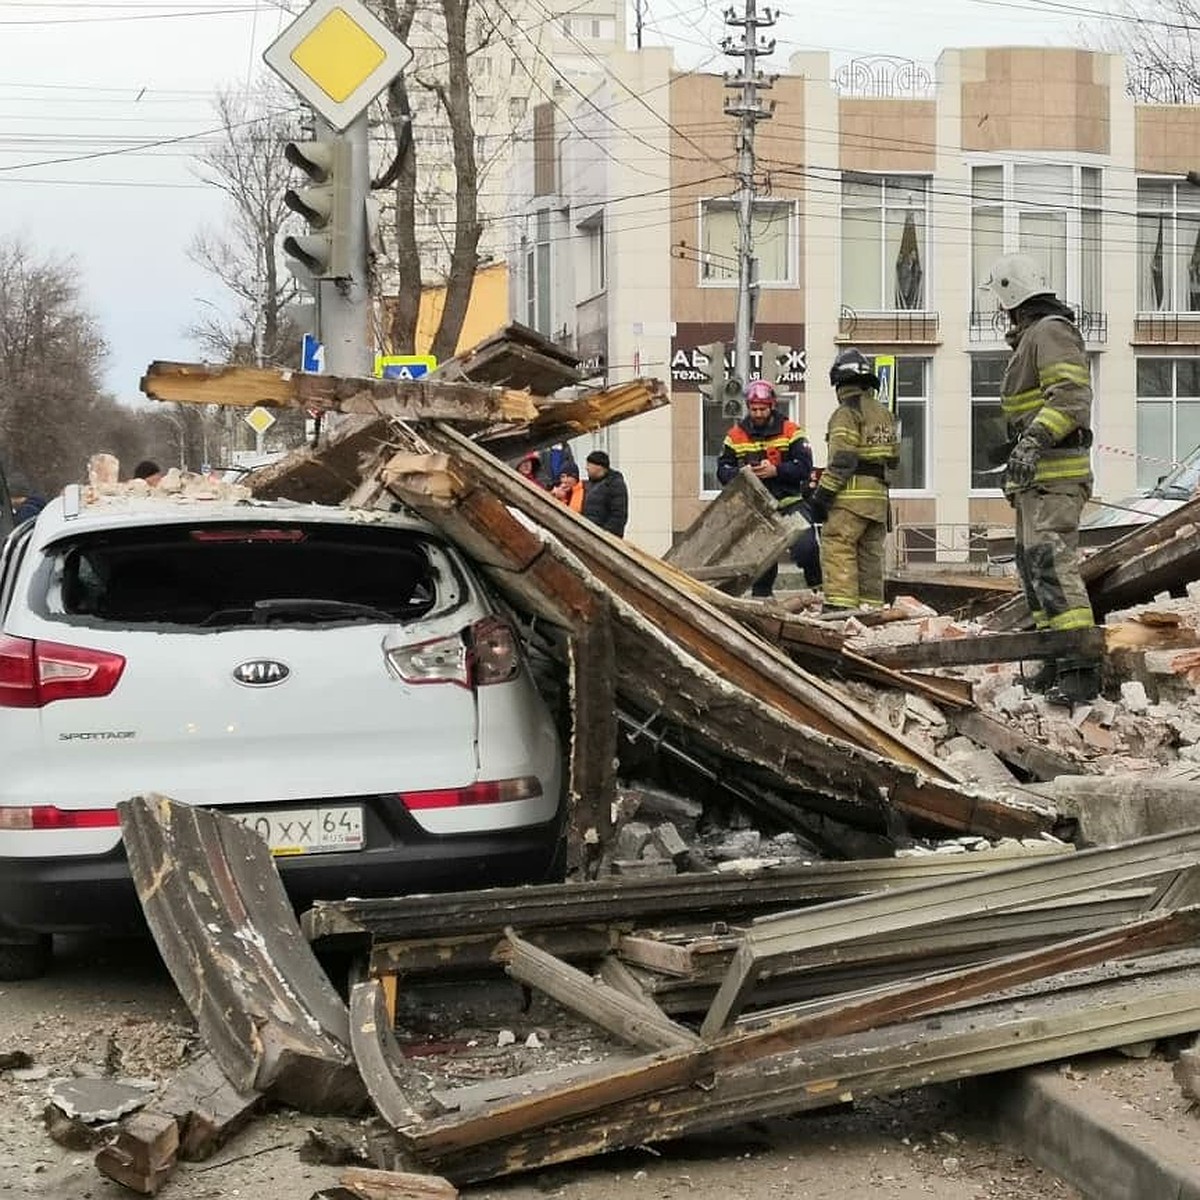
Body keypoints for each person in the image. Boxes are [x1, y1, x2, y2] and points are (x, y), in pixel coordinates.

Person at [984, 252, 1098, 705]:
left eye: (1000, 302)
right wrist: (1014, 456)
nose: (999, 312)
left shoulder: (1050, 332)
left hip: (1056, 477)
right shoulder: (1032, 337)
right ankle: (1054, 659)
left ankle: (1081, 668)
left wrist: (1031, 443)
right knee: (1035, 569)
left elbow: (1071, 398)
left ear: (1012, 296)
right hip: (1035, 480)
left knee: (1053, 564)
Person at [809, 348, 899, 614]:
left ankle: (840, 610)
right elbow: (893, 460)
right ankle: (871, 610)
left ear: (840, 384)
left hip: (850, 500)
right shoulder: (885, 414)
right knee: (870, 555)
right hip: (878, 502)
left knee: (838, 545)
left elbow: (843, 460)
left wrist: (822, 495)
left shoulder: (846, 413)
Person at [716, 379, 819, 597]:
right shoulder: (735, 436)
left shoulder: (791, 431)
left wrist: (777, 470)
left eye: (763, 409)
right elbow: (722, 471)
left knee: (806, 548)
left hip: (790, 502)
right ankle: (762, 598)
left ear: (772, 406)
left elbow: (804, 467)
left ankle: (818, 588)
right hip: (757, 508)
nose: (758, 414)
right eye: (754, 409)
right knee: (761, 558)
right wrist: (745, 474)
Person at [582, 450, 629, 537]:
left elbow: (618, 516)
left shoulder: (614, 484)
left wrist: (604, 535)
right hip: (589, 536)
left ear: (599, 466)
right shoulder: (589, 485)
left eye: (589, 464)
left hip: (604, 539)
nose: (586, 468)